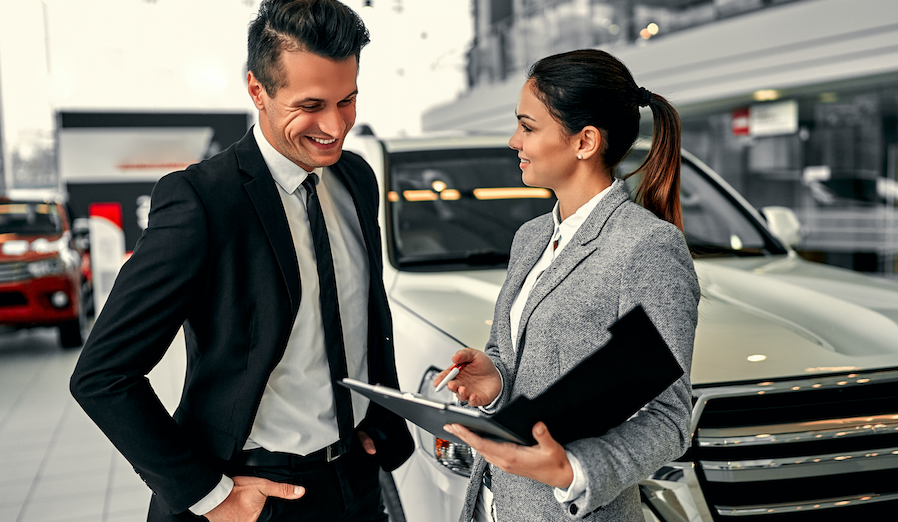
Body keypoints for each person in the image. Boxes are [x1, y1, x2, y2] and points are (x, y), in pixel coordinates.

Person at [69, 1, 412, 521]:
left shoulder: (356, 178)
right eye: (311, 104)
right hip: (253, 491)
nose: (334, 126)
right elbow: (103, 375)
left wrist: (379, 418)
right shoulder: (201, 201)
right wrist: (210, 495)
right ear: (257, 90)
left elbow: (362, 314)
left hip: (356, 479)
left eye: (348, 100)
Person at [436, 49, 700, 522]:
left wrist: (574, 469)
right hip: (494, 503)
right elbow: (511, 353)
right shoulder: (531, 237)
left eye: (528, 126)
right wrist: (494, 377)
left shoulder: (647, 247)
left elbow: (669, 418)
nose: (514, 140)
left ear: (585, 142)